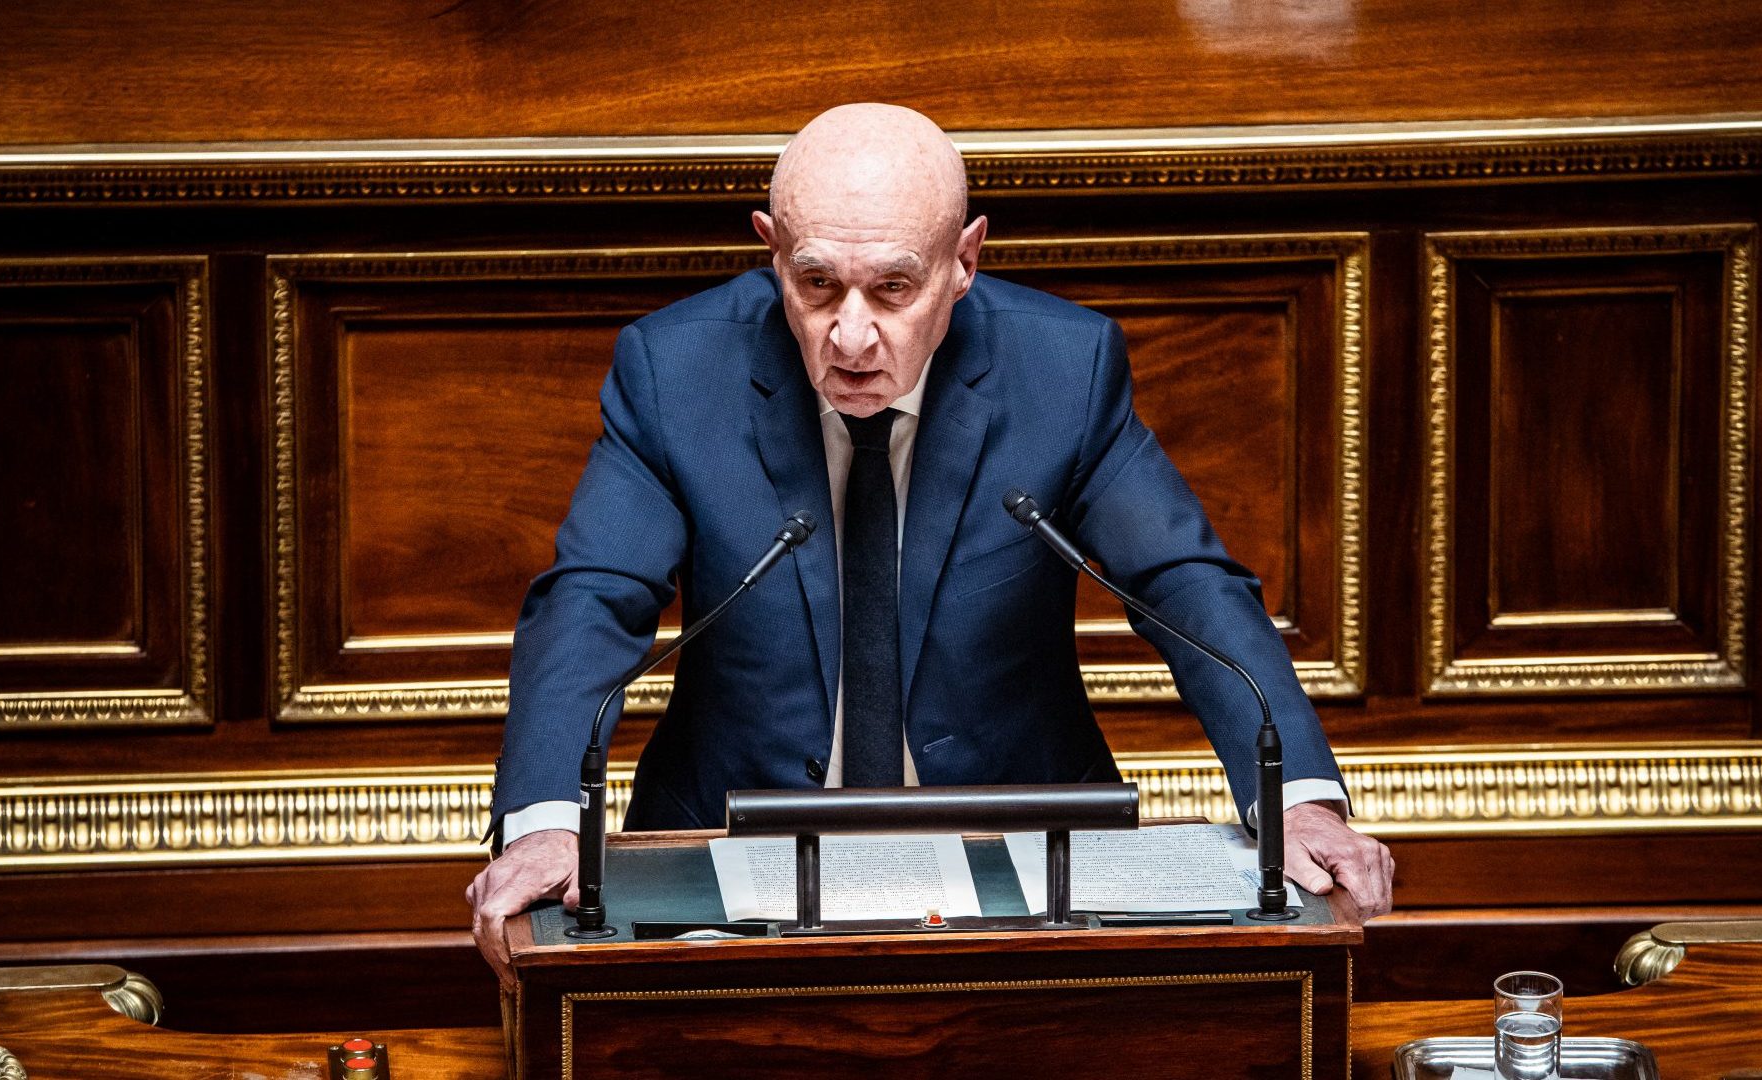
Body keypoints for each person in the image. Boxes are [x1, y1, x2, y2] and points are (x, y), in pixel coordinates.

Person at [467, 103, 1392, 985]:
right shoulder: (675, 372)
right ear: (771, 250)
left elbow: (1185, 580)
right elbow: (592, 597)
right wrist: (547, 822)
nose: (853, 335)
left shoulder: (1064, 372)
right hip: (731, 848)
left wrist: (1297, 797)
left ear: (965, 261)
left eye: (895, 288)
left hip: (1023, 846)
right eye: (817, 283)